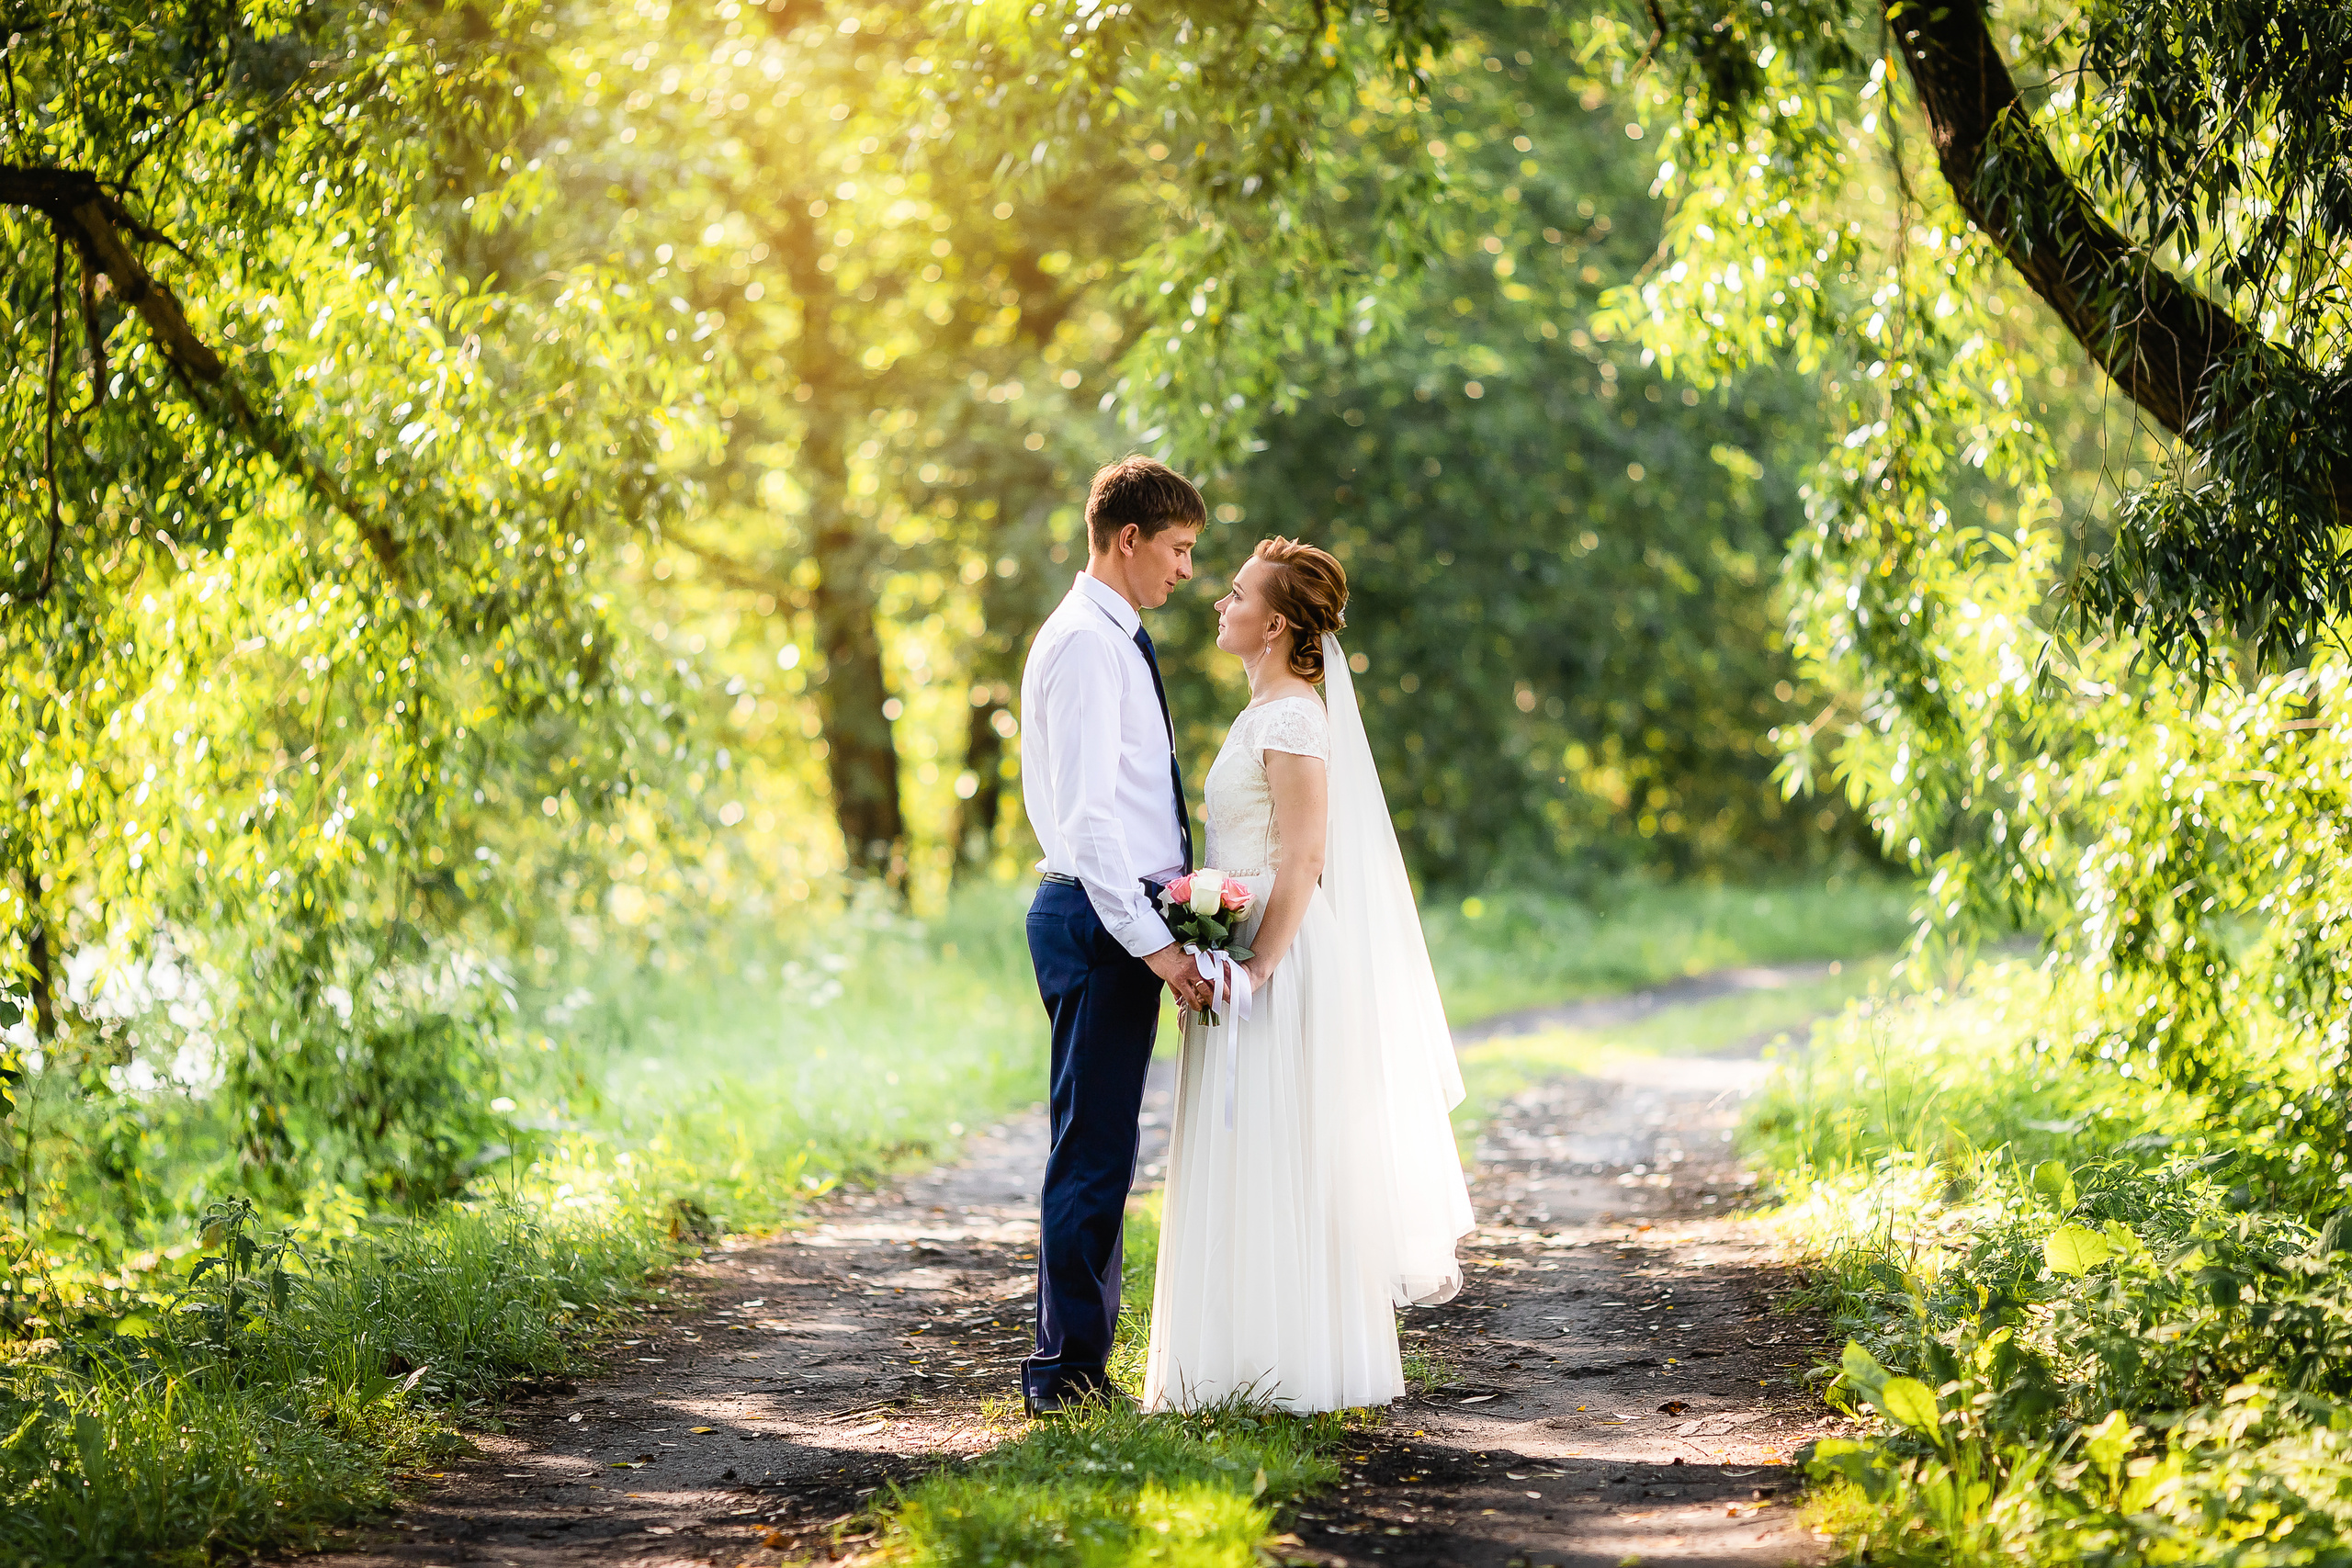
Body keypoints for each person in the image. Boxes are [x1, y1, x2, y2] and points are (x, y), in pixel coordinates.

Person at [1143, 538, 1474, 1413]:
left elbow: (1304, 857)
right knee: (1247, 1146)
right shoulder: (1262, 711)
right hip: (1238, 950)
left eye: (1237, 593)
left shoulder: (1291, 717)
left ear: (1276, 624)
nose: (1220, 603)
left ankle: (1293, 1365)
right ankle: (1236, 1362)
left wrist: (1259, 963)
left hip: (1278, 958)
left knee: (1282, 1144)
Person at [1016, 455, 1217, 1416]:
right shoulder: (1087, 646)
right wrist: (1157, 946)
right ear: (1127, 538)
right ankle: (1065, 1378)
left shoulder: (1110, 637)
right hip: (1100, 922)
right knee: (1092, 1153)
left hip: (1113, 918)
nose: (1186, 569)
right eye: (1177, 549)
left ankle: (1074, 1362)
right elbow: (1092, 824)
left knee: (1101, 1146)